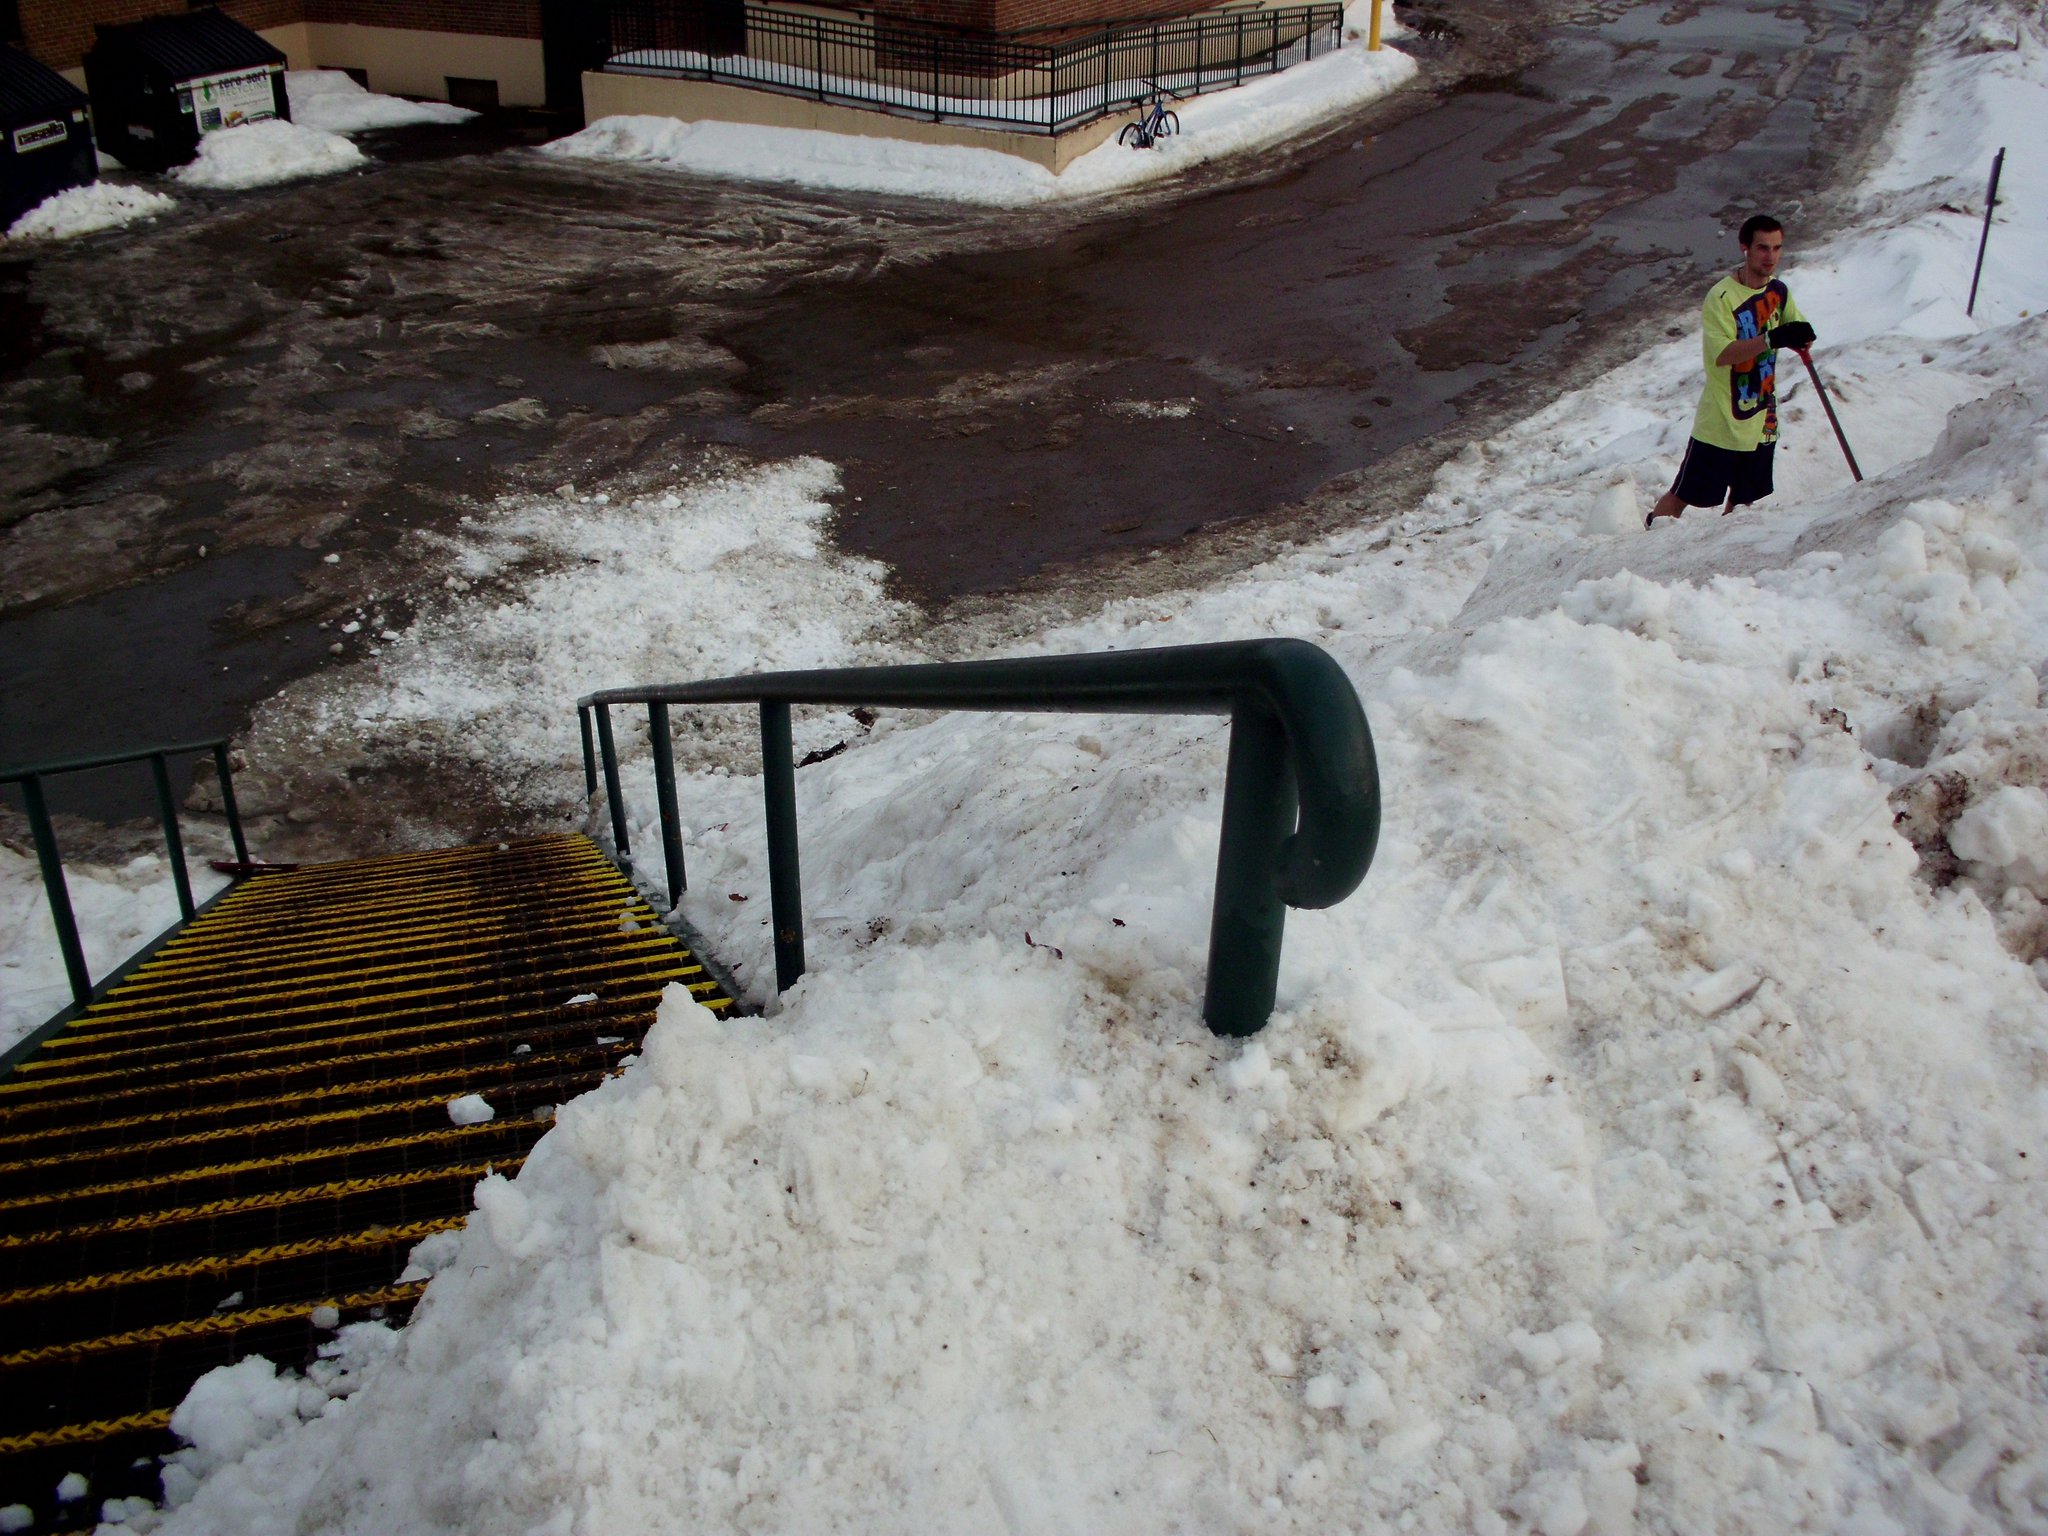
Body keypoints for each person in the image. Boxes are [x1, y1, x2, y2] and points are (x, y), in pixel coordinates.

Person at [1645, 214, 1816, 527]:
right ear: (1745, 248)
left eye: (1777, 248)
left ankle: (1725, 553)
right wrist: (1771, 338)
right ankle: (1650, 536)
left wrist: (1802, 335)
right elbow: (1722, 354)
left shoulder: (1779, 291)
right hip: (1722, 422)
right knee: (1684, 494)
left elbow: (1794, 324)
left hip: (1763, 419)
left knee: (1743, 500)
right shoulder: (1721, 297)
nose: (1771, 257)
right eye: (1763, 248)